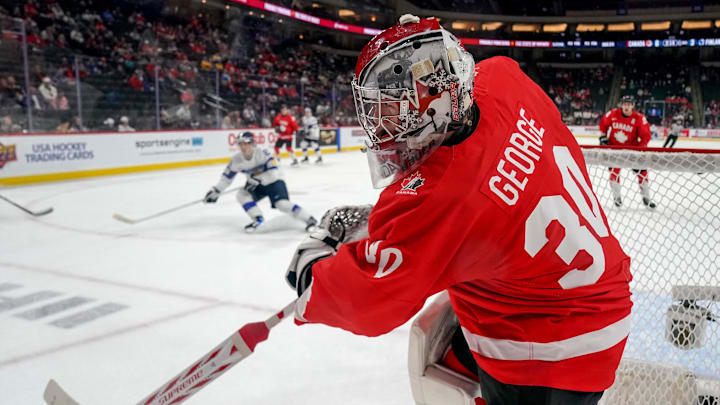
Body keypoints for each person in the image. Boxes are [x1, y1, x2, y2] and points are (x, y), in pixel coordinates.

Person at [284, 15, 632, 405]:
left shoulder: (439, 198)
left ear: (430, 103)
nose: (381, 124)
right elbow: (488, 195)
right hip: (586, 293)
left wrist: (312, 265)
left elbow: (368, 301)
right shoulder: (503, 77)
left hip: (551, 349)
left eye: (391, 106)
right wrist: (392, 225)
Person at [203, 131, 317, 233]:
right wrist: (216, 190)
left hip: (274, 181)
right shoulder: (236, 160)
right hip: (256, 184)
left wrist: (258, 179)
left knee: (281, 204)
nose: (243, 146)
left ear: (252, 144)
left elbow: (274, 171)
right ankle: (258, 219)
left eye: (246, 143)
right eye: (241, 144)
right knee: (242, 195)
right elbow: (226, 179)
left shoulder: (263, 153)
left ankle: (309, 219)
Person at [598, 95, 656, 208]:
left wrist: (639, 149)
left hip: (632, 151)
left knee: (642, 172)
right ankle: (617, 197)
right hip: (615, 149)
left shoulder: (639, 118)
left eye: (629, 104)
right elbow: (603, 125)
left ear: (632, 106)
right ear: (621, 105)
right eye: (624, 104)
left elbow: (646, 136)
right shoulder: (613, 113)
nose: (626, 106)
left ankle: (646, 197)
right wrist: (603, 137)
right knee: (614, 172)